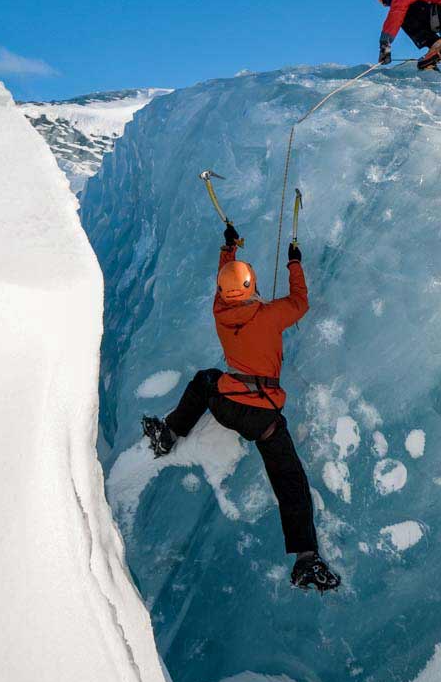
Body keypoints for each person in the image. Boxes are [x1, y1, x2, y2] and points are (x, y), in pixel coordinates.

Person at [141, 223, 340, 592]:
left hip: (226, 404)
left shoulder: (220, 312)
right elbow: (300, 302)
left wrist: (228, 247)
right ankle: (305, 559)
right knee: (289, 479)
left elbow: (223, 283)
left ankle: (169, 434)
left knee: (205, 379)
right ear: (251, 288)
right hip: (263, 418)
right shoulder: (269, 315)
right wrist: (294, 263)